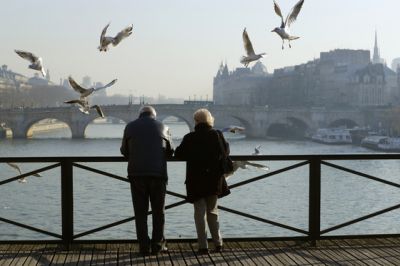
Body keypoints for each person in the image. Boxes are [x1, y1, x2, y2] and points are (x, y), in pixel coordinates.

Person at [174, 108, 230, 254]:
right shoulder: (218, 135)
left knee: (200, 213)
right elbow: (226, 151)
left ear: (196, 121)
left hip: (196, 180)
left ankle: (203, 246)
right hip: (214, 179)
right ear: (210, 120)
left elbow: (179, 154)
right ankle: (218, 243)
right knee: (213, 211)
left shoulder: (190, 137)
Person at [120, 105, 174, 256]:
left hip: (137, 175)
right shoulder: (164, 126)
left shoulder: (130, 127)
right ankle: (157, 245)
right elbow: (170, 151)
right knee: (159, 211)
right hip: (158, 175)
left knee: (140, 212)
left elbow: (124, 151)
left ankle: (143, 246)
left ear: (140, 115)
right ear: (154, 115)